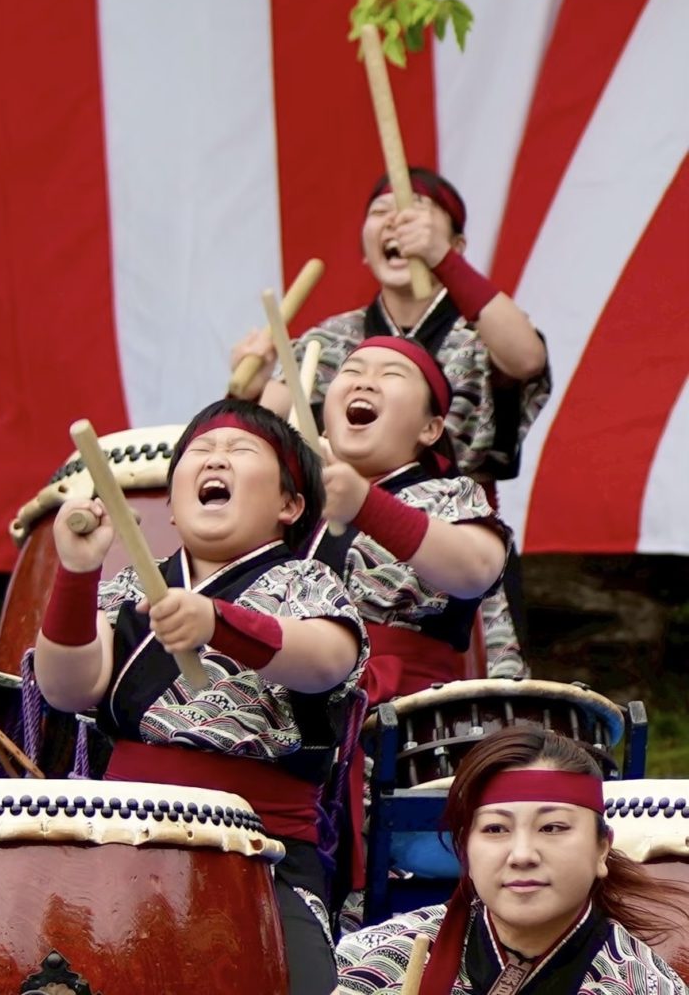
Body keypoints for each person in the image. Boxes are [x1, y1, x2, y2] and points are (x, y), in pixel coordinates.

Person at [33, 398, 368, 995]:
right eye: (201, 453)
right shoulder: (132, 585)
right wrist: (77, 574)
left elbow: (325, 661)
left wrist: (218, 622)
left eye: (241, 451)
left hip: (262, 853)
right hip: (123, 843)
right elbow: (65, 688)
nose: (217, 458)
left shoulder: (307, 582)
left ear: (291, 505)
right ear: (172, 499)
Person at [232, 167, 551, 672]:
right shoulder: (331, 339)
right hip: (338, 538)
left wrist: (442, 262)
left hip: (454, 532)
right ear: (364, 248)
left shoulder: (480, 331)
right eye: (380, 212)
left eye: (416, 213)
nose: (396, 223)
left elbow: (526, 358)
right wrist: (247, 393)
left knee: (482, 707)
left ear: (458, 243)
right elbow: (258, 435)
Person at [335, 726, 689, 993]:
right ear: (465, 850)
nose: (522, 855)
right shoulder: (376, 957)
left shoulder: (642, 984)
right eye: (495, 830)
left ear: (601, 849)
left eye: (551, 828)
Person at [310, 334, 512, 703]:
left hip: (400, 723)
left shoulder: (450, 495)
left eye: (392, 374)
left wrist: (365, 505)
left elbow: (476, 570)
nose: (365, 381)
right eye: (352, 370)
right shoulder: (287, 505)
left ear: (430, 429)